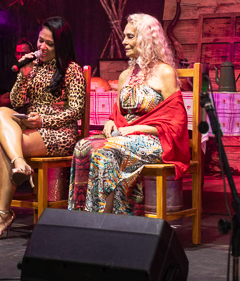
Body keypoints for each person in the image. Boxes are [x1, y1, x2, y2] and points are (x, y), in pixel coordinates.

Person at [68, 13, 190, 214]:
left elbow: (176, 122)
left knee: (106, 152)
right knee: (82, 146)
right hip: (125, 137)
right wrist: (110, 122)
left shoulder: (165, 73)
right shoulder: (125, 75)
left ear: (146, 39)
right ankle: (81, 216)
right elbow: (119, 114)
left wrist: (134, 129)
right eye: (125, 36)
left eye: (130, 36)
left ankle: (102, 220)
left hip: (156, 140)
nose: (124, 41)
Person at [0, 16, 86, 240]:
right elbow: (17, 102)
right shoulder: (33, 67)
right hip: (31, 124)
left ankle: (2, 214)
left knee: (7, 149)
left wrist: (44, 121)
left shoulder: (71, 70)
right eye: (40, 41)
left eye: (49, 43)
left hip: (59, 132)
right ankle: (20, 164)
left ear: (61, 46)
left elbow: (77, 110)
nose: (42, 47)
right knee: (1, 112)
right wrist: (23, 74)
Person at [0, 38, 34, 108]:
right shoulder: (11, 72)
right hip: (16, 111)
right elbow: (2, 100)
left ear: (31, 53)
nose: (20, 56)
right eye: (18, 53)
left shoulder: (38, 70)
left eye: (23, 53)